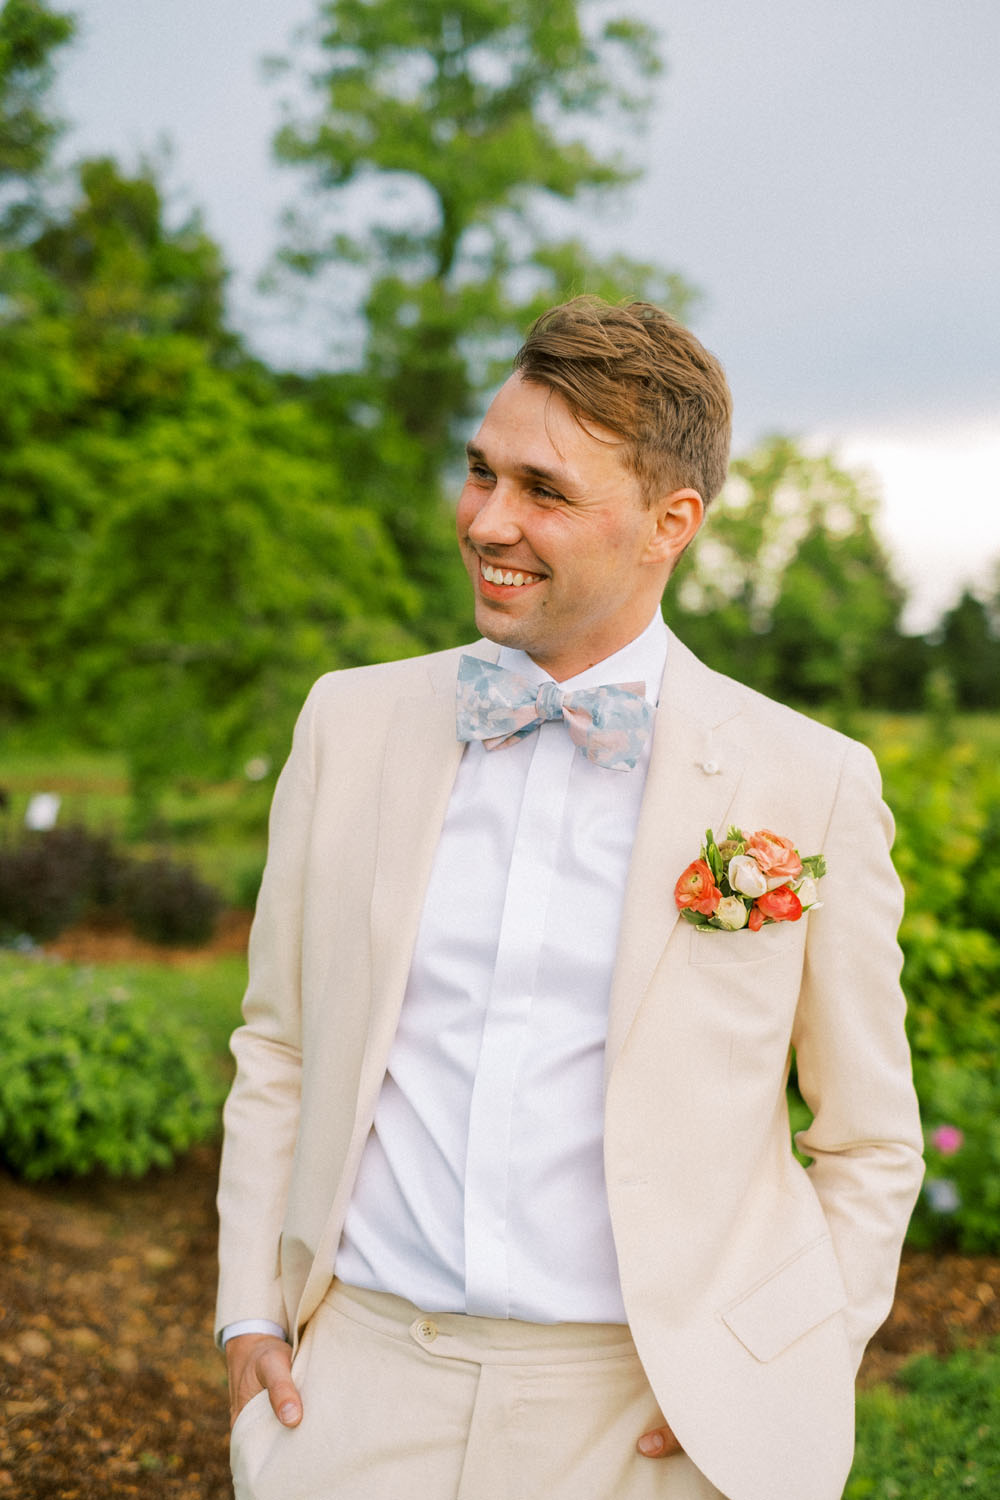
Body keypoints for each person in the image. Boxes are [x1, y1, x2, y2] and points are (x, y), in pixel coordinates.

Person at [216, 297, 923, 1500]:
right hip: (352, 1396)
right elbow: (277, 1043)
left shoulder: (808, 783)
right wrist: (246, 1316)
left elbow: (866, 1140)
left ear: (670, 522)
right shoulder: (347, 722)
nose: (488, 520)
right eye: (482, 472)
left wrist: (782, 1362)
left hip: (650, 1419)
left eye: (543, 490)